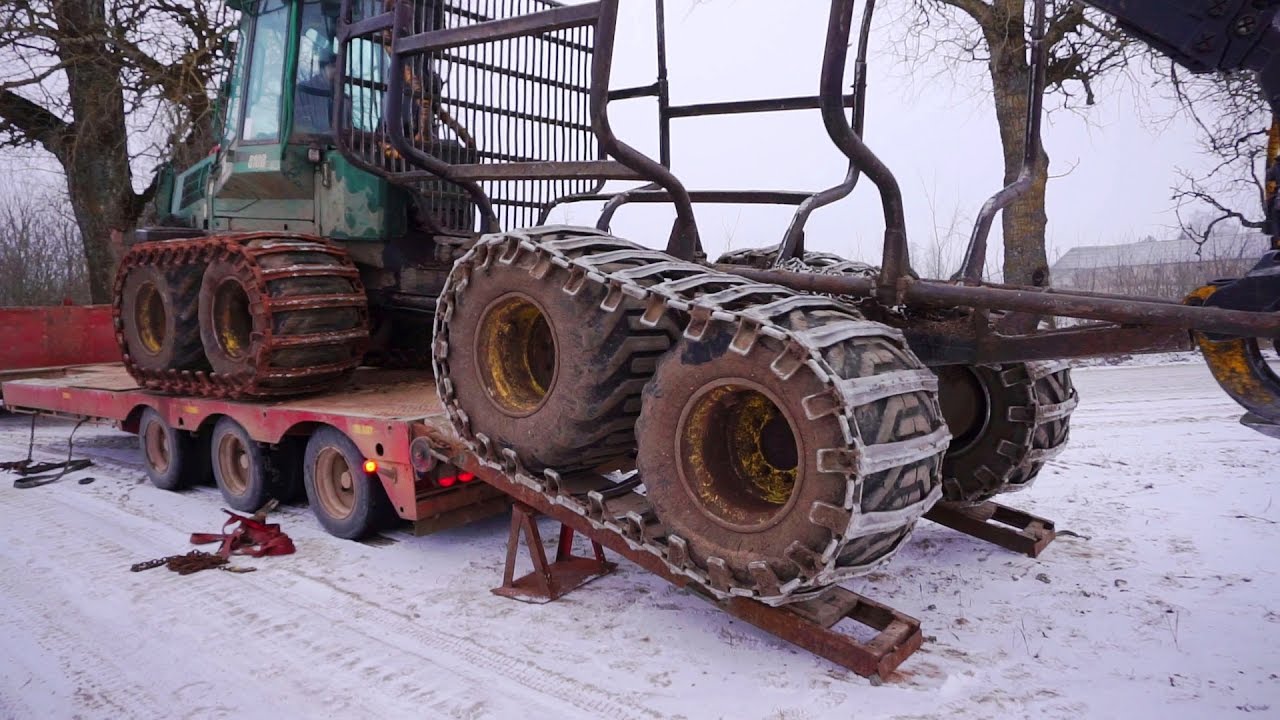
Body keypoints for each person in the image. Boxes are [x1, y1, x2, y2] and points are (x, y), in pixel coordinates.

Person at [296, 49, 338, 134]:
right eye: (333, 66)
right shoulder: (303, 90)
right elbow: (294, 122)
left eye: (341, 68)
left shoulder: (344, 98)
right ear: (322, 69)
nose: (337, 71)